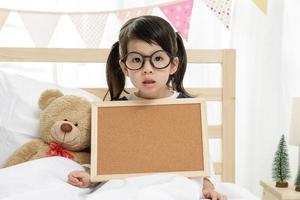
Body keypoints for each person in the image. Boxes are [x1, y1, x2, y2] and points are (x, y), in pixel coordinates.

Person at [68, 15, 226, 200]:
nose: (147, 69)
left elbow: (200, 165)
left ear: (173, 65)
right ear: (124, 67)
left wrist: (208, 188)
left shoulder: (187, 108)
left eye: (157, 58)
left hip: (175, 183)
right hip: (128, 183)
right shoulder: (117, 111)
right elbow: (110, 161)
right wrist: (90, 178)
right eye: (136, 60)